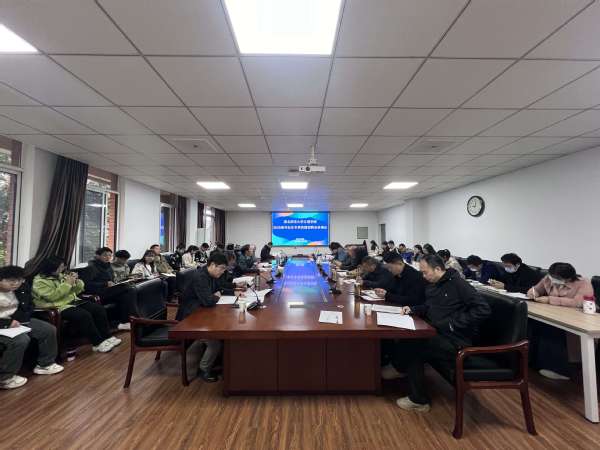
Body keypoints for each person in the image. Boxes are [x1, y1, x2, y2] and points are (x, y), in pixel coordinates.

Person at [386, 254, 491, 412]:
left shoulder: (458, 284)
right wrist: (413, 309)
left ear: (437, 269)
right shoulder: (434, 285)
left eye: (425, 272)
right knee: (409, 337)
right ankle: (399, 368)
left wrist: (452, 324)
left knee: (415, 345)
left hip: (455, 340)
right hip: (438, 332)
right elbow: (430, 307)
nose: (423, 276)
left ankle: (419, 400)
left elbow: (483, 309)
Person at [32, 257, 118, 353]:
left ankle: (106, 336)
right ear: (50, 268)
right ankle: (97, 343)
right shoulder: (39, 281)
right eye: (60, 267)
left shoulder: (60, 276)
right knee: (83, 315)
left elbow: (76, 291)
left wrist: (77, 282)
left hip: (71, 301)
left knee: (98, 309)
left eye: (62, 267)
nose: (62, 269)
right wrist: (67, 284)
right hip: (56, 306)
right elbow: (52, 297)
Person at [527, 262, 594, 380]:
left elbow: (577, 302)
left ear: (568, 278)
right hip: (552, 313)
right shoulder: (548, 278)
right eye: (552, 276)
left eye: (556, 277)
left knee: (553, 329)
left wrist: (549, 299)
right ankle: (534, 362)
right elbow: (535, 290)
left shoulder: (583, 283)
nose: (552, 279)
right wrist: (533, 293)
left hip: (575, 318)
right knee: (534, 323)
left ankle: (559, 369)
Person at [1, 266, 64, 390]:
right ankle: (4, 378)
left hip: (17, 321)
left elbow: (30, 305)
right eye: (11, 281)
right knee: (21, 339)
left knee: (48, 329)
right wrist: (6, 323)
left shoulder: (22, 288)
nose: (15, 283)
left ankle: (45, 364)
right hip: (3, 324)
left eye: (19, 280)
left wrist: (21, 318)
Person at [176, 253, 232, 382]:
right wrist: (216, 295)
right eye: (222, 268)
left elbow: (219, 289)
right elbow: (208, 301)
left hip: (199, 312)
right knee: (214, 342)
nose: (223, 272)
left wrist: (234, 291)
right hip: (189, 318)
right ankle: (203, 369)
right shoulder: (200, 277)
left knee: (222, 329)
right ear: (212, 265)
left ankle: (218, 361)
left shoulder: (210, 275)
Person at [81, 247, 137, 331]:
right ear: (98, 256)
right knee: (127, 288)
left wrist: (115, 282)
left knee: (127, 294)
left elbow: (111, 279)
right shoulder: (91, 267)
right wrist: (105, 284)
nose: (108, 257)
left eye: (110, 255)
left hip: (108, 291)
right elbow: (86, 285)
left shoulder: (108, 266)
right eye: (105, 255)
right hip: (98, 293)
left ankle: (126, 321)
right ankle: (133, 319)